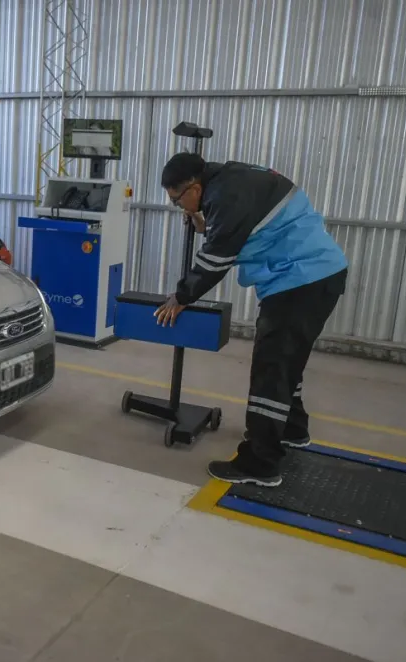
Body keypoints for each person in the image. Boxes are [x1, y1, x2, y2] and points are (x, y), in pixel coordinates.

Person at [154, 153, 348, 487]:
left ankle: (260, 463)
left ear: (193, 188)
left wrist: (181, 296)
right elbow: (235, 229)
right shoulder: (231, 179)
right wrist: (203, 222)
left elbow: (217, 259)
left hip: (300, 280)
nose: (178, 207)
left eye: (176, 201)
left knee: (271, 370)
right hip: (315, 274)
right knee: (287, 363)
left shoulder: (226, 195)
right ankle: (292, 430)